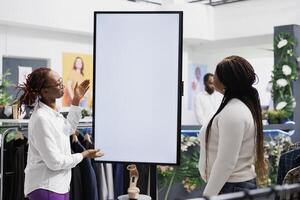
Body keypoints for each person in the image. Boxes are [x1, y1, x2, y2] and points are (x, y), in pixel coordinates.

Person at [15, 67, 103, 200]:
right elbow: (54, 162)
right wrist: (83, 155)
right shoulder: (41, 118)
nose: (62, 85)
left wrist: (76, 100)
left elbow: (68, 130)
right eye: (58, 84)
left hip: (57, 187)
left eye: (61, 81)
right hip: (46, 188)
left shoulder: (52, 113)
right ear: (45, 91)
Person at [198, 56, 267, 196]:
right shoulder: (238, 107)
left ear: (225, 80)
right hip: (231, 185)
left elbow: (226, 163)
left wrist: (207, 196)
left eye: (216, 74)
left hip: (230, 186)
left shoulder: (233, 112)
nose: (213, 78)